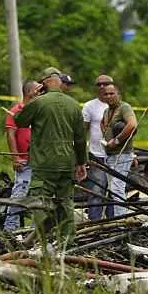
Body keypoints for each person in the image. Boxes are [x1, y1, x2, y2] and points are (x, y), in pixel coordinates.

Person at [13, 67, 87, 249]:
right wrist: (81, 162)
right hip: (66, 163)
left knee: (40, 202)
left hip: (44, 163)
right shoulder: (73, 105)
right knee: (66, 203)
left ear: (44, 83)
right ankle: (67, 243)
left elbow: (19, 121)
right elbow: (80, 138)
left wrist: (30, 98)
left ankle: (41, 241)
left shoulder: (38, 103)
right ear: (60, 81)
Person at [4, 81, 38, 232]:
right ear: (30, 91)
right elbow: (10, 135)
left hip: (39, 161)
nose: (41, 91)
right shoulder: (16, 111)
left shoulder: (39, 111)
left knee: (38, 195)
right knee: (19, 193)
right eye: (38, 89)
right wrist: (15, 157)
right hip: (23, 160)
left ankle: (33, 231)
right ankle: (10, 228)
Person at [99, 82, 137, 217]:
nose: (109, 96)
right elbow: (102, 124)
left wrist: (116, 140)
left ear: (118, 94)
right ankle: (115, 218)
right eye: (106, 94)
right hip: (109, 155)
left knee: (117, 188)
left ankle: (122, 220)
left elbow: (132, 124)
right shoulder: (106, 111)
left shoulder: (124, 107)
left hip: (122, 154)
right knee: (111, 189)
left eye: (112, 93)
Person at [83, 75, 112, 221]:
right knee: (96, 190)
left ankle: (113, 222)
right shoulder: (89, 106)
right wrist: (81, 154)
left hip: (115, 155)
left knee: (114, 191)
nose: (102, 87)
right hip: (96, 155)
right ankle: (94, 222)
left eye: (105, 84)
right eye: (99, 84)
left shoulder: (120, 106)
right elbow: (83, 131)